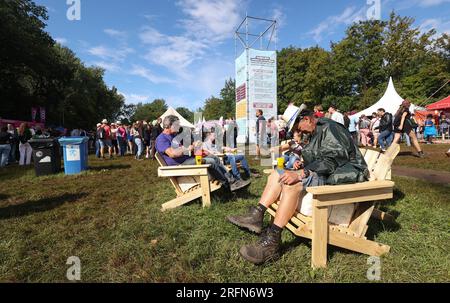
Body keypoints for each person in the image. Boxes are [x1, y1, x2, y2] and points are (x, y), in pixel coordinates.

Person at [227, 110, 369, 264]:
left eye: (298, 128)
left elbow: (334, 159)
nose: (298, 132)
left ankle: (272, 243)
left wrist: (302, 172)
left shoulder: (330, 128)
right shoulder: (316, 131)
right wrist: (303, 164)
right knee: (277, 174)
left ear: (307, 119)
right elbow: (321, 157)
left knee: (291, 185)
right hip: (327, 172)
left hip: (343, 174)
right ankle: (257, 215)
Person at [155, 115, 249, 192]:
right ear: (170, 125)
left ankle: (231, 181)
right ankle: (229, 184)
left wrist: (194, 145)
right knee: (211, 161)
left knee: (214, 158)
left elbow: (183, 148)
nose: (179, 126)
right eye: (177, 124)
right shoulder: (161, 139)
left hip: (186, 160)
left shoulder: (173, 136)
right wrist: (188, 148)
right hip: (179, 165)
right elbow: (172, 153)